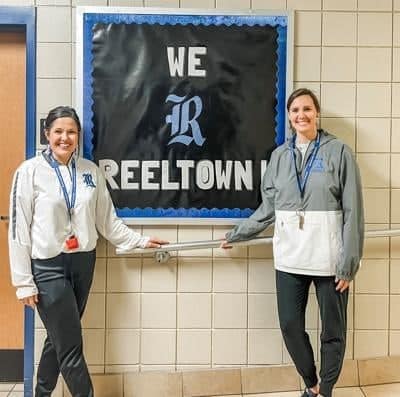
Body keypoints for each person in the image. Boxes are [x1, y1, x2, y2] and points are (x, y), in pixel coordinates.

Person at [8, 106, 168, 397]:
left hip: (83, 263)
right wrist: (23, 282)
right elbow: (18, 231)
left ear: (78, 135)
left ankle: (40, 393)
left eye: (71, 131)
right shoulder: (29, 172)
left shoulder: (89, 172)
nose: (64, 137)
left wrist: (140, 241)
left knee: (59, 338)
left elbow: (107, 221)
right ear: (47, 134)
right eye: (58, 131)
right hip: (48, 267)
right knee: (71, 346)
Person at [222, 88, 364, 397]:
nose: (301, 115)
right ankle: (311, 382)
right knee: (289, 324)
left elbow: (354, 209)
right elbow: (268, 209)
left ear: (317, 114)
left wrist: (348, 263)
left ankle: (325, 390)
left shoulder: (338, 152)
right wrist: (238, 233)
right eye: (295, 110)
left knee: (333, 332)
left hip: (331, 259)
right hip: (290, 258)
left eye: (307, 109)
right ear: (288, 116)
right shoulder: (279, 156)